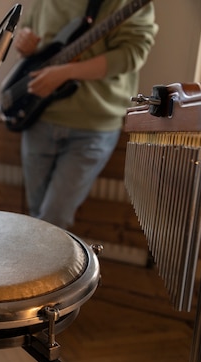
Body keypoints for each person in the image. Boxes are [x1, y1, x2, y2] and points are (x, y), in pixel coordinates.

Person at [11, 0, 157, 229]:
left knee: (53, 220)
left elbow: (133, 53)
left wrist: (68, 72)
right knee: (37, 215)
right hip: (38, 118)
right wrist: (24, 41)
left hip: (93, 126)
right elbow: (30, 38)